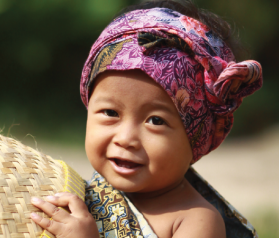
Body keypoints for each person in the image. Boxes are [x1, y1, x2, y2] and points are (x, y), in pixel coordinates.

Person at [29, 1, 262, 237]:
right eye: (110, 113)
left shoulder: (195, 220)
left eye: (156, 121)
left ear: (197, 139)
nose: (126, 139)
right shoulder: (77, 191)